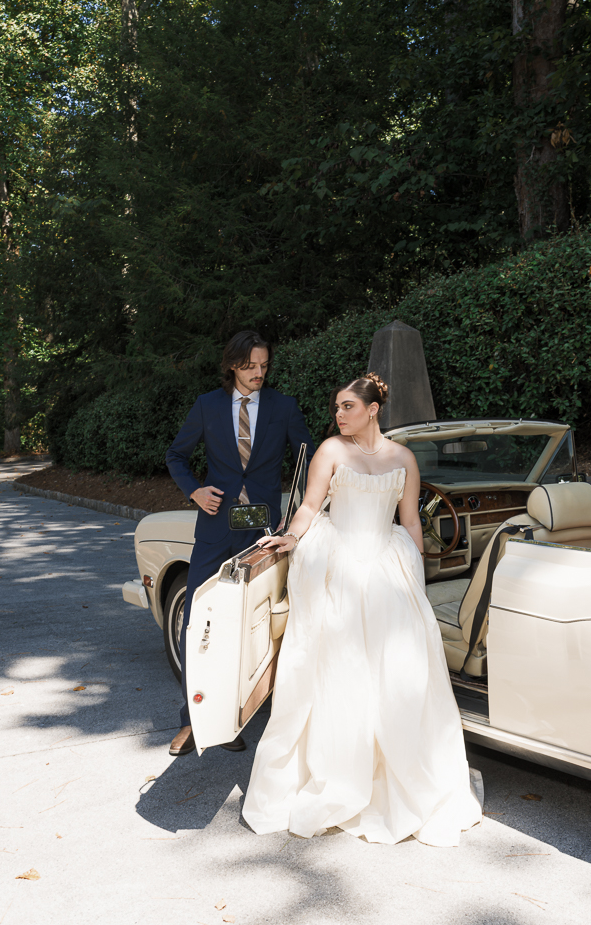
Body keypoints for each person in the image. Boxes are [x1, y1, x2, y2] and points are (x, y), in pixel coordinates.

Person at [241, 373, 482, 845]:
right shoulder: (331, 450)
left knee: (397, 668)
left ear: (373, 409)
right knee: (338, 667)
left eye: (348, 406)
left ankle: (398, 776)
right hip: (337, 562)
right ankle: (337, 774)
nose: (339, 414)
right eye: (337, 407)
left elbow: (410, 521)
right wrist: (290, 537)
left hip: (387, 564)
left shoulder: (403, 458)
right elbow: (310, 507)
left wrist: (415, 576)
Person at [165, 330, 315, 758]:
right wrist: (195, 491)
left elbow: (308, 462)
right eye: (250, 366)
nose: (258, 373)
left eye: (264, 366)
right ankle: (193, 720)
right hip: (216, 527)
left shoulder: (284, 406)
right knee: (201, 619)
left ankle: (231, 717)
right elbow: (176, 456)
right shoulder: (207, 405)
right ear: (232, 365)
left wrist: (295, 514)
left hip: (265, 531)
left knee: (253, 624)